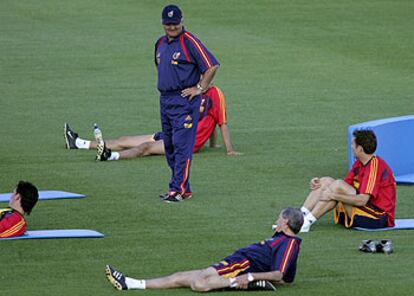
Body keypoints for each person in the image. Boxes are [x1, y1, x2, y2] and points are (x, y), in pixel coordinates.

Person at [105, 207, 304, 292]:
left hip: (241, 265)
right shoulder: (282, 238)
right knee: (182, 276)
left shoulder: (289, 243)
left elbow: (280, 274)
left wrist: (250, 278)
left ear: (285, 222)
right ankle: (131, 284)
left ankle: (246, 286)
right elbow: (287, 277)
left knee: (200, 284)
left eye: (280, 218)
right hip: (239, 262)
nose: (276, 220)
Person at [64, 86, 240, 161]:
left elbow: (221, 122)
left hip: (185, 142)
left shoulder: (215, 94)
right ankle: (79, 143)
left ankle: (110, 156)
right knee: (125, 140)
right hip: (173, 133)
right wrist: (212, 144)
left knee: (145, 147)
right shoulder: (190, 90)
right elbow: (208, 119)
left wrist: (229, 149)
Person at [155, 4, 220, 202]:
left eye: (175, 24)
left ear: (182, 21)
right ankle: (184, 188)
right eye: (168, 24)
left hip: (184, 101)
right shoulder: (160, 43)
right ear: (162, 23)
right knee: (170, 146)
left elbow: (212, 65)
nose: (172, 27)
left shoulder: (189, 41)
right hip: (165, 100)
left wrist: (199, 88)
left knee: (181, 146)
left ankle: (177, 189)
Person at [299, 129, 396, 232]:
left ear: (360, 149)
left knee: (337, 186)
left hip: (378, 217)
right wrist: (321, 184)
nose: (351, 147)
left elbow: (362, 200)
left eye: (353, 144)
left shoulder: (375, 166)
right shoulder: (359, 163)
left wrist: (333, 196)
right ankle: (299, 217)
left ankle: (306, 223)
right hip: (364, 210)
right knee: (325, 181)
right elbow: (342, 186)